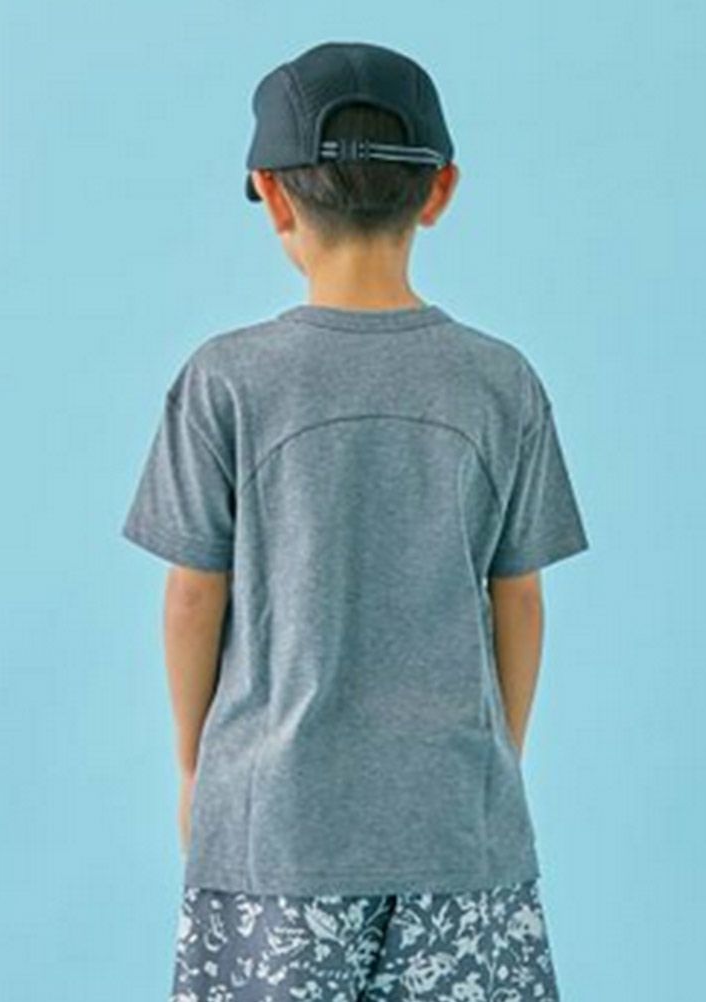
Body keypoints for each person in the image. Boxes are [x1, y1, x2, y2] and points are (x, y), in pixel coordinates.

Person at [121, 40, 590, 1002]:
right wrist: (493, 765)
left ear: (272, 196)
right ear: (441, 190)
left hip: (273, 832)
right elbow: (520, 599)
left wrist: (195, 770)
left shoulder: (225, 380)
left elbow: (193, 598)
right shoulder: (501, 381)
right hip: (461, 830)